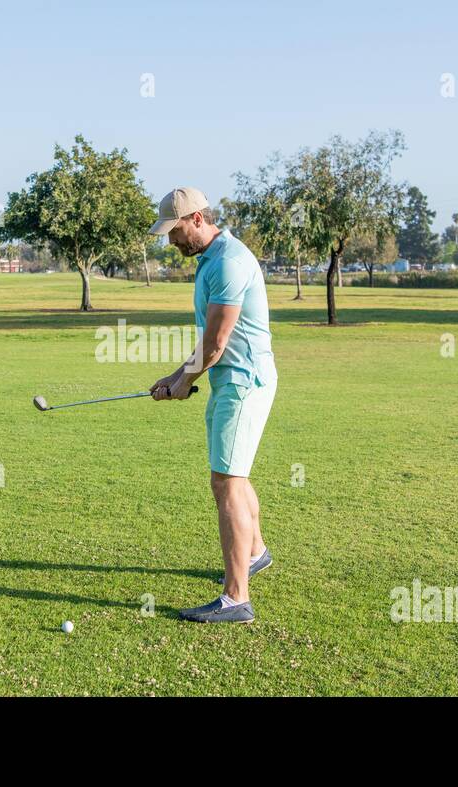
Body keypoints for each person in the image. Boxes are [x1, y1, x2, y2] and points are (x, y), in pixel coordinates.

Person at [148, 187, 277, 624]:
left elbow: (218, 341)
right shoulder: (212, 258)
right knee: (235, 476)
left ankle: (236, 597)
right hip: (232, 380)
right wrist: (174, 376)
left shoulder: (227, 261)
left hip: (243, 382)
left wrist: (186, 381)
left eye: (176, 230)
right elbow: (209, 342)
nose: (172, 242)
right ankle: (255, 552)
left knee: (225, 483)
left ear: (197, 219)